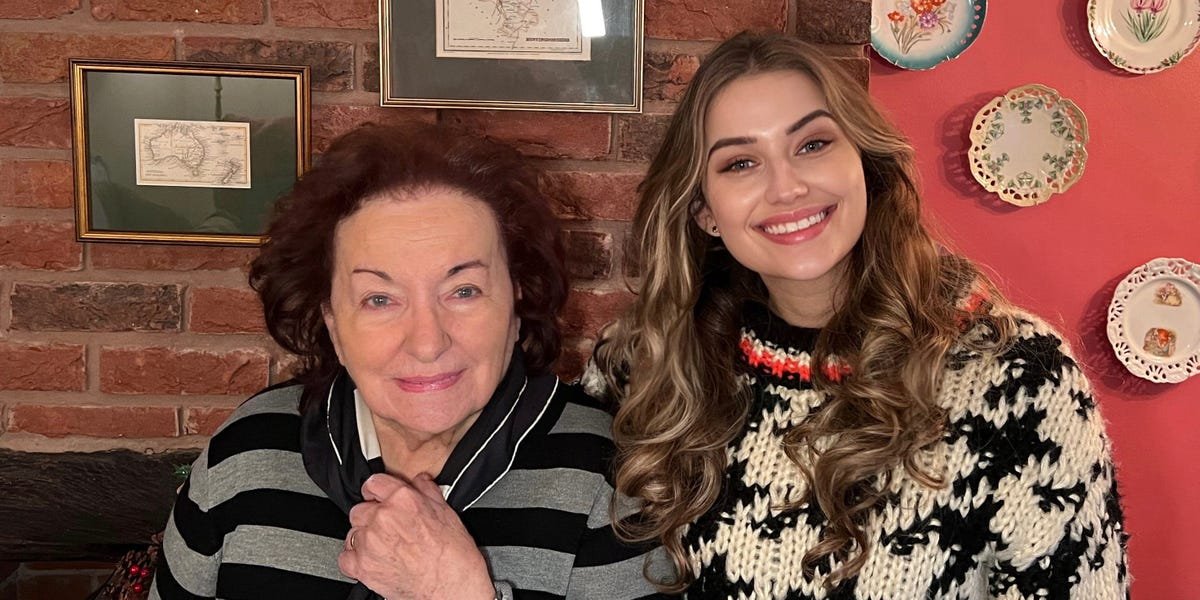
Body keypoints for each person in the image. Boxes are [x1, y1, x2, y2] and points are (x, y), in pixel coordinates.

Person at [587, 31, 1130, 599]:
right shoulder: (641, 362)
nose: (786, 188)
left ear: (865, 163)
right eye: (741, 163)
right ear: (704, 211)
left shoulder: (1020, 378)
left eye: (813, 144)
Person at [151, 123, 673, 600]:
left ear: (517, 302)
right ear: (331, 320)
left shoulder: (609, 483)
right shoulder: (247, 449)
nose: (427, 343)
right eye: (379, 299)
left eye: (464, 290)